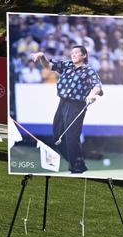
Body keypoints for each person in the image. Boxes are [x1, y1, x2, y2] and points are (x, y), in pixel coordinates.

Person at [30, 46, 103, 174]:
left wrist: (92, 95)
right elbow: (48, 66)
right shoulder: (67, 64)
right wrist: (42, 56)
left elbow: (97, 86)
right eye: (72, 52)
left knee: (71, 137)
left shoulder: (88, 70)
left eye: (76, 52)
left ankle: (77, 167)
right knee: (57, 136)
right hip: (62, 102)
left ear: (84, 55)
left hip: (76, 105)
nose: (73, 54)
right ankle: (76, 162)